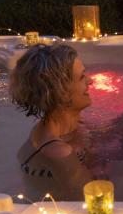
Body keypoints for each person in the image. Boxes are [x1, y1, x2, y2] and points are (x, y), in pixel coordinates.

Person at [10, 43, 93, 200]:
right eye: (82, 77)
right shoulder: (58, 152)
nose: (90, 81)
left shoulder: (63, 126)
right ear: (62, 93)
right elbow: (95, 200)